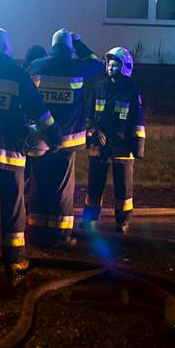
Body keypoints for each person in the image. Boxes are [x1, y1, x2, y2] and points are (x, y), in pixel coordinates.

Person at [0, 28, 62, 276]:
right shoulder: (18, 75)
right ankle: (13, 260)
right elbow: (39, 110)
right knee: (13, 208)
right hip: (9, 156)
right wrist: (55, 135)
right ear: (6, 47)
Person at [26, 29, 104, 248]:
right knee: (62, 189)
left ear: (52, 46)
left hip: (41, 137)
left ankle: (37, 232)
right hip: (67, 141)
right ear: (69, 48)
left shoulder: (37, 66)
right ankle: (60, 236)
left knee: (39, 186)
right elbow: (96, 63)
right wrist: (79, 42)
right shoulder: (76, 66)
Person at [81, 46, 145, 234]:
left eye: (115, 64)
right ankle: (90, 219)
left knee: (123, 189)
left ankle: (123, 222)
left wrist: (138, 147)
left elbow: (138, 120)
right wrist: (93, 131)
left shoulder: (131, 90)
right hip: (99, 146)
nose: (110, 67)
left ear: (125, 67)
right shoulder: (98, 86)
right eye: (109, 64)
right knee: (94, 186)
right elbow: (87, 115)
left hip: (123, 147)